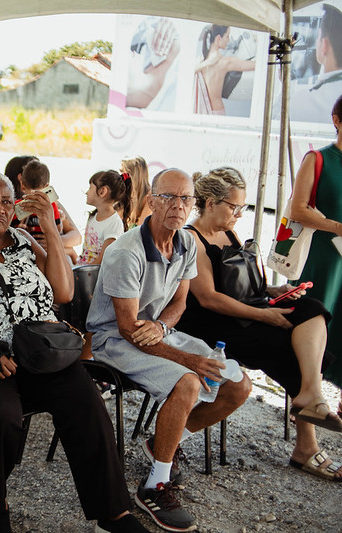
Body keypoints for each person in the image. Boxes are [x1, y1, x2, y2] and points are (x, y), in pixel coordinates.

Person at [0, 171, 149, 533]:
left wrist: (51, 230)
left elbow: (64, 292)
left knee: (85, 402)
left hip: (35, 349)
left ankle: (113, 512)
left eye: (6, 201)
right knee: (2, 412)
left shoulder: (24, 240)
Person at [86, 168, 251, 533]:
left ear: (194, 203)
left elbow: (180, 303)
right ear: (150, 201)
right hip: (113, 339)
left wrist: (162, 326)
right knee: (190, 381)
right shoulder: (126, 252)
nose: (178, 205)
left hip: (157, 330)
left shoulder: (186, 242)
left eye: (185, 198)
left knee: (239, 385)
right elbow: (128, 329)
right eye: (168, 197)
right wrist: (188, 360)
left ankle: (162, 441)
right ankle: (154, 485)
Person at [177, 167, 342, 482]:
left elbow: (239, 281)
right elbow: (210, 298)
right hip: (213, 326)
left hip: (246, 312)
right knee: (288, 346)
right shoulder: (191, 238)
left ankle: (310, 395)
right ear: (209, 203)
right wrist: (265, 314)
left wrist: (274, 292)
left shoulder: (229, 231)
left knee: (313, 308)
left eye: (242, 207)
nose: (239, 214)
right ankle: (307, 442)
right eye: (233, 207)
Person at [290, 94, 342, 414]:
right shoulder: (318, 159)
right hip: (322, 259)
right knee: (317, 328)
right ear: (337, 121)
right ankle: (308, 406)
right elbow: (298, 209)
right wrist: (337, 227)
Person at [290, 4, 342, 123]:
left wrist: (284, 84)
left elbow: (278, 118)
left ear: (324, 45)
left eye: (317, 37)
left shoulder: (303, 100)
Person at [193, 25, 255, 115]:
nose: (228, 40)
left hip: (201, 113)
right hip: (217, 111)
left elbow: (186, 73)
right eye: (227, 36)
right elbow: (256, 65)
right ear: (218, 38)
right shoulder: (225, 62)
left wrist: (207, 63)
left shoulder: (200, 62)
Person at [77, 170, 132, 265]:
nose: (87, 192)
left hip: (92, 275)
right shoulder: (93, 216)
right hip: (83, 269)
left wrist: (80, 273)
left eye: (90, 188)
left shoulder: (114, 223)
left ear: (102, 191)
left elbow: (103, 260)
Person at [11, 160, 64, 249]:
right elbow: (58, 229)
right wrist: (61, 220)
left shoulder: (17, 206)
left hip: (24, 249)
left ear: (23, 185)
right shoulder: (51, 206)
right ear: (47, 186)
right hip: (45, 248)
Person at [122, 156, 152, 227]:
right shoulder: (124, 194)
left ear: (133, 174)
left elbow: (141, 227)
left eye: (122, 172)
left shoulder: (150, 196)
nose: (119, 176)